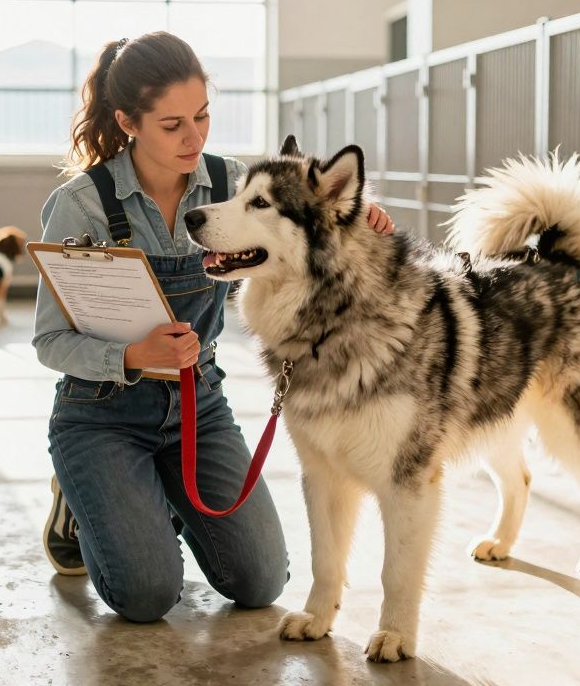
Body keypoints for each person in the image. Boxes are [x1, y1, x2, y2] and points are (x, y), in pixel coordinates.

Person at [33, 31, 395, 623]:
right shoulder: (82, 205)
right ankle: (79, 497)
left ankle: (149, 494)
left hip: (197, 409)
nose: (194, 137)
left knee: (260, 582)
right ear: (128, 122)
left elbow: (306, 239)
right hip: (101, 413)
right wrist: (131, 354)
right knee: (146, 596)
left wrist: (356, 224)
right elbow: (49, 341)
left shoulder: (234, 185)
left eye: (202, 116)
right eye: (172, 124)